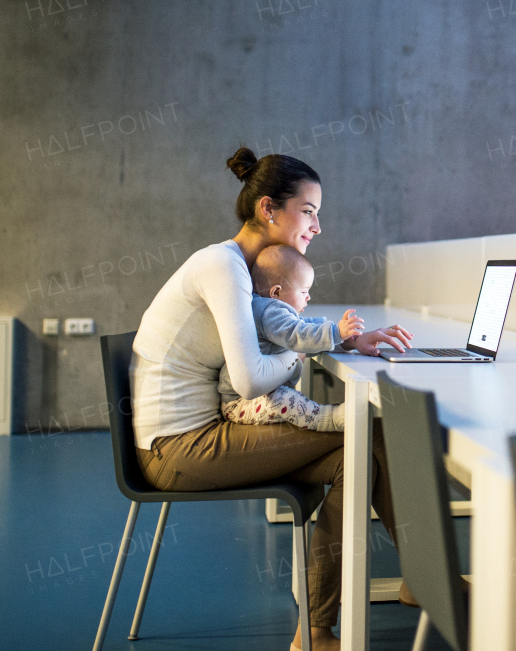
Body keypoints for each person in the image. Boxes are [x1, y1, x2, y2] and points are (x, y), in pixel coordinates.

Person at [130, 148, 414, 651]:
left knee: (363, 450)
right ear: (267, 209)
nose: (317, 227)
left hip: (196, 435)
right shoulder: (223, 267)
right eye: (308, 211)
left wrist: (337, 340)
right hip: (176, 450)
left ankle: (367, 604)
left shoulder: (237, 268)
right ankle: (351, 613)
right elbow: (249, 380)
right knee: (367, 439)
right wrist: (305, 355)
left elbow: (267, 349)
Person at [218, 244, 359, 432]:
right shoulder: (270, 312)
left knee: (284, 395)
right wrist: (335, 333)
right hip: (239, 405)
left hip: (252, 398)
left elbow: (304, 323)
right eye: (303, 291)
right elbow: (297, 334)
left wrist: (341, 333)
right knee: (282, 398)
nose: (308, 297)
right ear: (276, 292)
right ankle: (329, 419)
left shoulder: (267, 308)